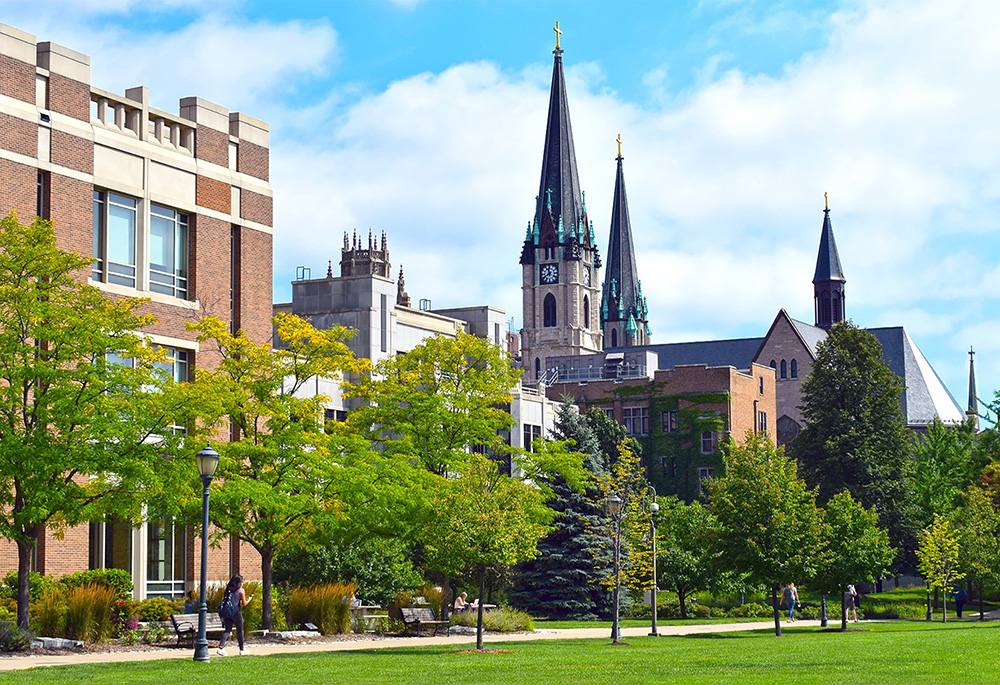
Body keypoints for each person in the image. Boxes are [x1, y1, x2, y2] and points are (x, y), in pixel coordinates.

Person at [217, 574, 253, 657]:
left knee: (227, 630)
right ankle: (242, 649)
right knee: (240, 630)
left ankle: (220, 647)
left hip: (227, 612)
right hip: (236, 611)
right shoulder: (241, 591)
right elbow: (244, 603)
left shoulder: (228, 590)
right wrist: (249, 599)